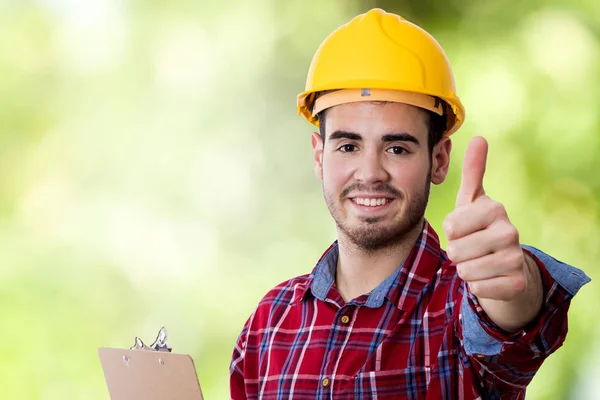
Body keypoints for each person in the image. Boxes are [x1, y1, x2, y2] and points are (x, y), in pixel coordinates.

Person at [229, 8, 590, 399]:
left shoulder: (459, 306)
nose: (370, 172)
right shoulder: (270, 323)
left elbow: (513, 318)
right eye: (348, 146)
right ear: (319, 156)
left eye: (397, 148)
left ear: (438, 160)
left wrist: (512, 283)